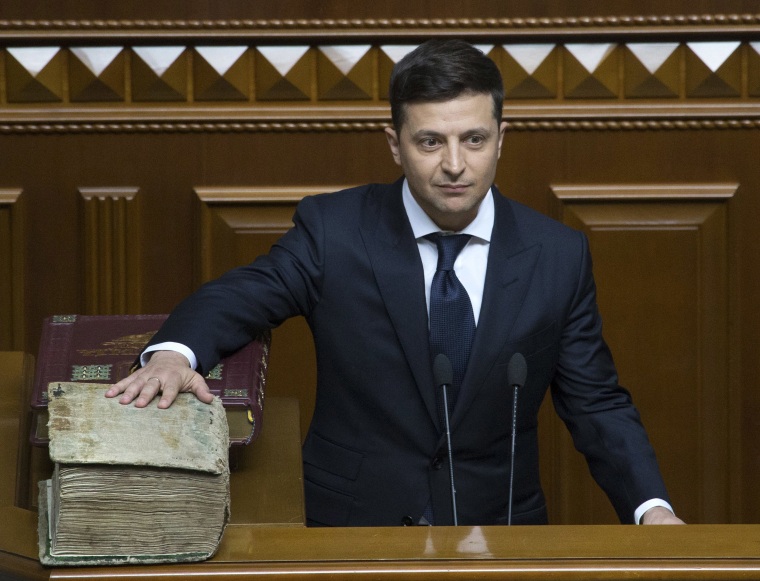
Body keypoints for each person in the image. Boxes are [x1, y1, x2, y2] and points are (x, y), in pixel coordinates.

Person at [107, 39, 684, 527]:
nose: (454, 165)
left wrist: (651, 507)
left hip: (502, 530)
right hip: (353, 525)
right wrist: (172, 354)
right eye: (431, 141)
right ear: (395, 144)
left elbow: (596, 402)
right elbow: (244, 293)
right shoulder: (336, 230)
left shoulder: (558, 254)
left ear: (501, 139)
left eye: (474, 140)